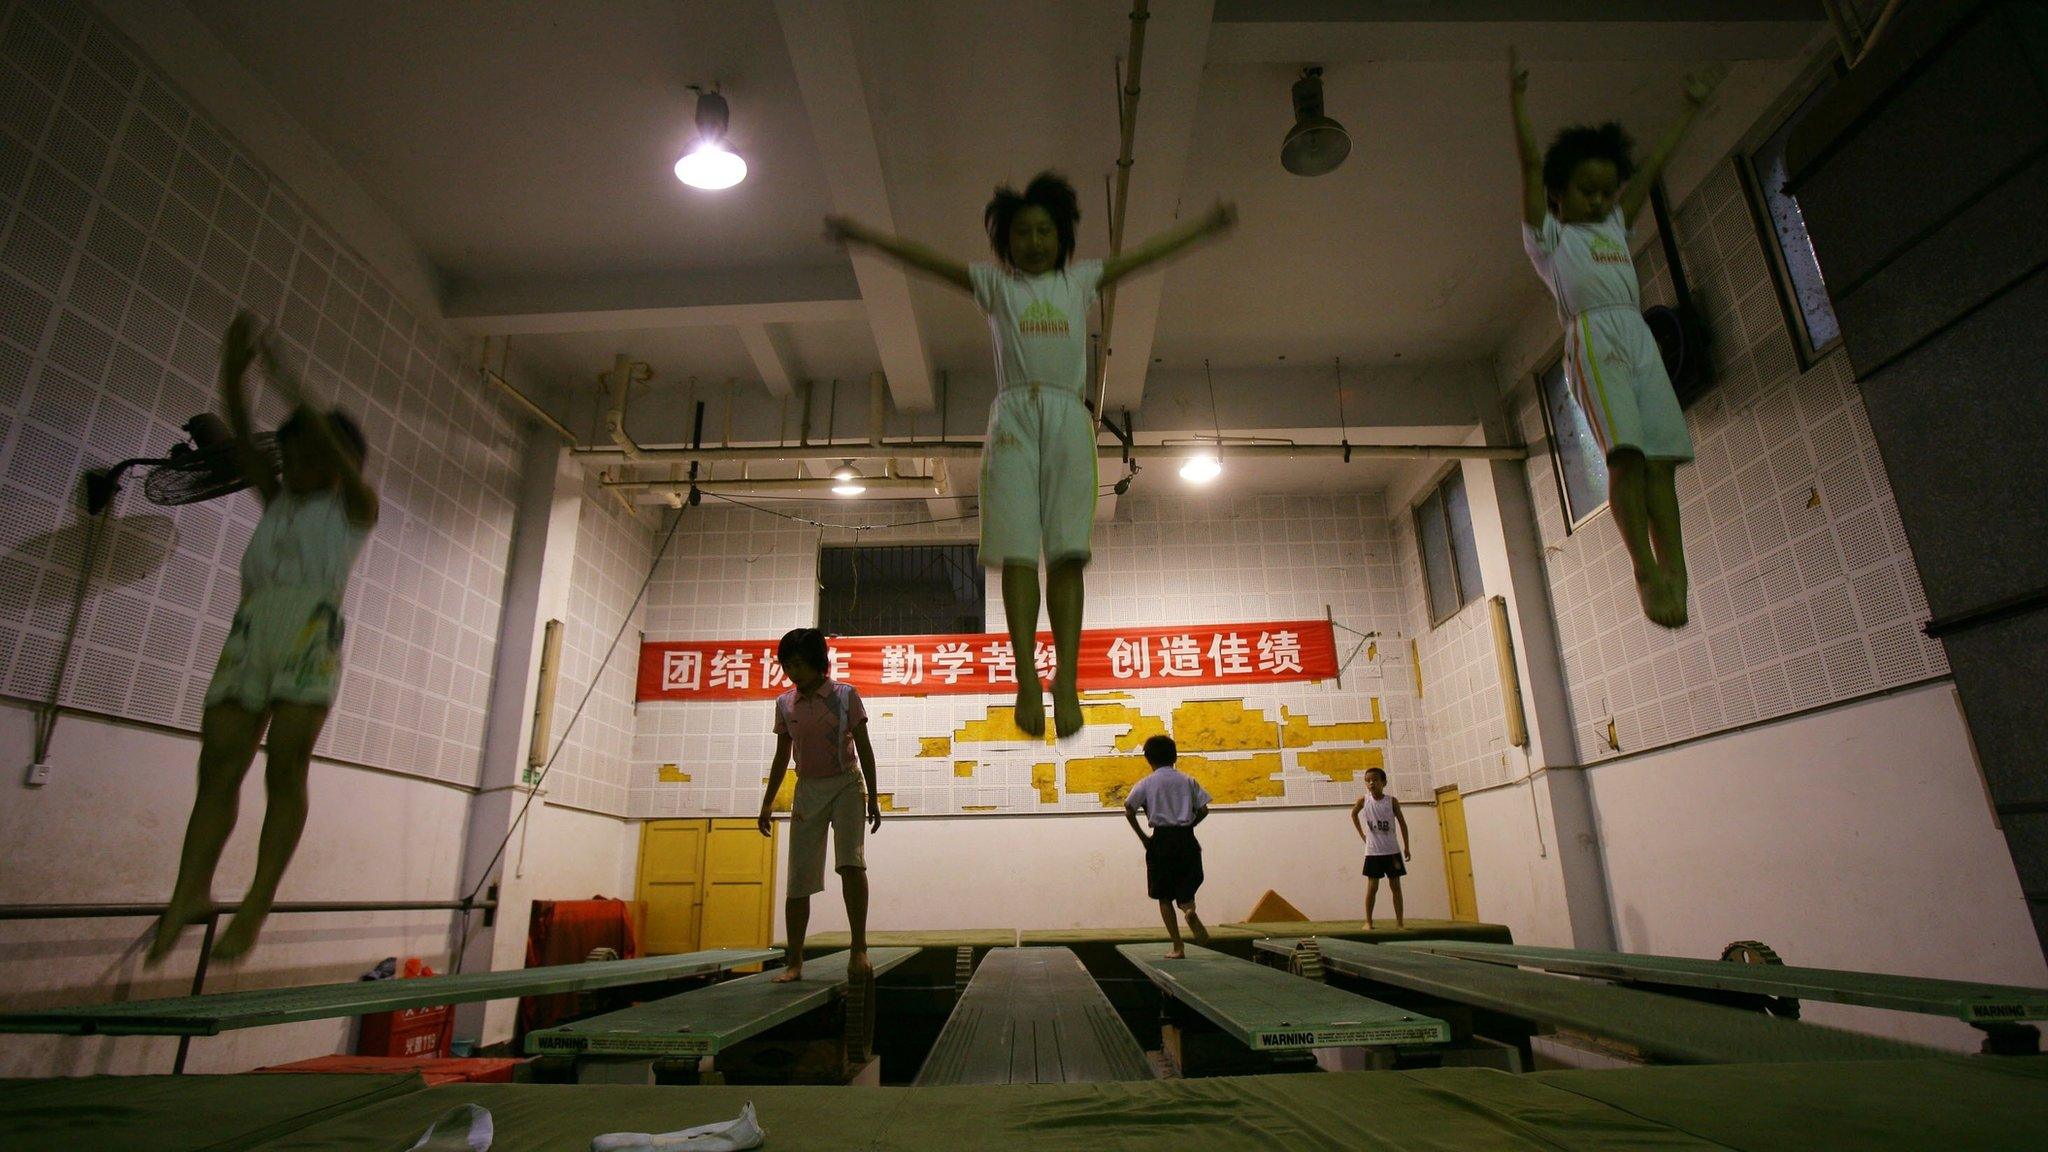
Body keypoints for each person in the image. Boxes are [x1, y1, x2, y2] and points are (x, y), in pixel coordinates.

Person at [826, 176, 1236, 737]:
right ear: (1007, 242)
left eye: (1046, 230)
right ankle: (1024, 675)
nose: (1036, 240)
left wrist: (1200, 230)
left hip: (1069, 417)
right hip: (1014, 420)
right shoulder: (996, 287)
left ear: (1062, 236)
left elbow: (1140, 258)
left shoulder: (1081, 279)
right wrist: (868, 238)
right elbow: (929, 262)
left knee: (1067, 553)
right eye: (1023, 232)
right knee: (1019, 554)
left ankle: (1065, 678)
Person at [149, 312, 378, 963]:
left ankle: (255, 904)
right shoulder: (277, 499)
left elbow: (329, 452)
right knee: (217, 765)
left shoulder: (355, 508)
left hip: (309, 635)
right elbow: (243, 447)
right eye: (292, 453)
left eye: (312, 454)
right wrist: (233, 368)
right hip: (250, 633)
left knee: (285, 766)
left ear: (341, 464)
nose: (297, 463)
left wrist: (284, 375)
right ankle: (189, 892)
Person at [1510, 47, 1723, 627]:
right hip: (1593, 338)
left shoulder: (1610, 224)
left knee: (1662, 461)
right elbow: (1531, 168)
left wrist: (1688, 109)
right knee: (1627, 454)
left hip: (1637, 333)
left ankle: (1675, 568)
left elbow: (1652, 166)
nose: (1601, 201)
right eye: (1586, 190)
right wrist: (1518, 104)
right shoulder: (1549, 238)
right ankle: (1642, 568)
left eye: (1607, 191)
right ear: (1559, 194)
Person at [757, 628, 882, 980]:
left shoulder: (844, 695)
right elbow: (782, 755)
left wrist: (873, 796)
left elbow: (864, 747)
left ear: (817, 663)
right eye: (787, 664)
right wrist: (767, 803)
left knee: (850, 863)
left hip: (846, 783)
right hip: (808, 788)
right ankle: (794, 961)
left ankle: (859, 949)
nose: (792, 671)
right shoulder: (785, 703)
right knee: (799, 876)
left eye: (798, 663)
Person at [1123, 735, 1211, 959]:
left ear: (1148, 759)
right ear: (1175, 756)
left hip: (1161, 839)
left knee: (1164, 896)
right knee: (1186, 885)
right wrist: (1189, 825)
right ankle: (1188, 910)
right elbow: (1204, 810)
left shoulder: (1146, 783)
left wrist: (1143, 837)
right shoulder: (1187, 780)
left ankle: (1177, 947)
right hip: (1186, 838)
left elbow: (1129, 808)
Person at [1350, 767, 1410, 930]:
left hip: (1392, 850)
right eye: (1368, 780)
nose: (1371, 783)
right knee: (1372, 887)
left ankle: (1399, 923)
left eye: (1375, 780)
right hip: (1373, 851)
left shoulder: (1391, 801)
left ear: (1383, 782)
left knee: (1395, 886)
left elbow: (1402, 824)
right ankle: (1368, 921)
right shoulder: (1364, 800)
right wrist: (1362, 834)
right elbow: (1354, 814)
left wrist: (1406, 847)